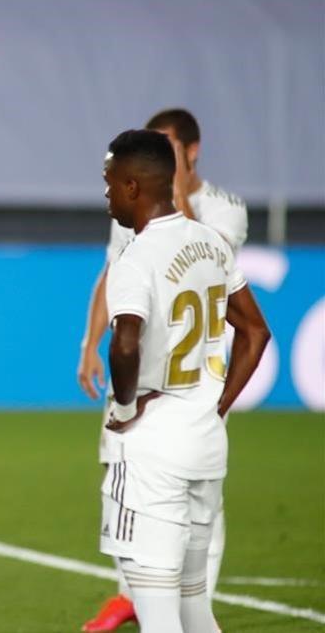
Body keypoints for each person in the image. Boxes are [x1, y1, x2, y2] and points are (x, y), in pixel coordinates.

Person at [79, 109, 248, 632]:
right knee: (196, 607)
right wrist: (218, 404)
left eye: (110, 185)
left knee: (157, 614)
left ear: (134, 186)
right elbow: (256, 332)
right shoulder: (210, 243)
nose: (107, 197)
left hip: (152, 448)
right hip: (203, 435)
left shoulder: (139, 256)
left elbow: (125, 343)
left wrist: (127, 407)